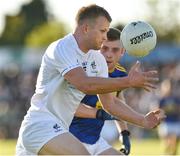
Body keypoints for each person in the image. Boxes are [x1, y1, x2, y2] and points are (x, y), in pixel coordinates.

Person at [16, 4, 163, 155]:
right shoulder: (62, 48)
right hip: (40, 125)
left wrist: (142, 120)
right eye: (102, 31)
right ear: (86, 28)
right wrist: (128, 81)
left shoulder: (97, 59)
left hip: (60, 130)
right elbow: (85, 84)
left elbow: (110, 104)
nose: (105, 37)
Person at [70, 27, 131, 155]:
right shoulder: (81, 70)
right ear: (97, 48)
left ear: (122, 52)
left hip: (94, 140)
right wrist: (99, 113)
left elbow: (117, 101)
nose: (109, 54)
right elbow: (68, 106)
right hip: (66, 136)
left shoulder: (120, 73)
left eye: (115, 50)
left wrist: (124, 133)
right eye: (104, 48)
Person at [158, 79, 180, 155]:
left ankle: (173, 151)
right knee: (167, 139)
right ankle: (168, 150)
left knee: (176, 139)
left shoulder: (176, 98)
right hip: (166, 122)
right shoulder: (162, 99)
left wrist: (174, 109)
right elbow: (159, 110)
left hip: (175, 121)